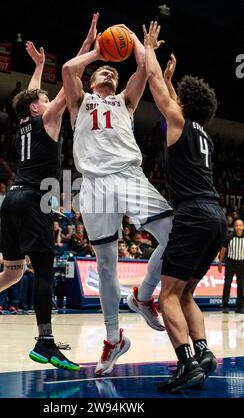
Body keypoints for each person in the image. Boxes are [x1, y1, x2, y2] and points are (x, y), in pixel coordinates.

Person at [0, 15, 100, 372]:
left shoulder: (24, 123)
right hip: (32, 200)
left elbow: (33, 96)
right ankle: (45, 341)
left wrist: (38, 67)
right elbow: (70, 77)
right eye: (45, 100)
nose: (52, 101)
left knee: (13, 271)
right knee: (43, 271)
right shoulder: (46, 119)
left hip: (12, 200)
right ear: (38, 107)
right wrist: (91, 46)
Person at [62, 22, 173, 376]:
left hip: (129, 175)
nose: (109, 72)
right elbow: (67, 69)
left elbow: (142, 68)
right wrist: (101, 50)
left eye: (113, 69)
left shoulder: (126, 101)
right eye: (103, 71)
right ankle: (113, 338)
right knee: (106, 263)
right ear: (92, 82)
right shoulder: (79, 101)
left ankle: (142, 295)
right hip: (94, 184)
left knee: (175, 233)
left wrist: (141, 43)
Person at [143, 21, 227, 392]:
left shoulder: (175, 121)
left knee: (167, 296)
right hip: (216, 216)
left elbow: (154, 84)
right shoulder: (200, 130)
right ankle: (204, 352)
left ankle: (187, 363)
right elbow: (171, 97)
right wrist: (170, 78)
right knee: (187, 292)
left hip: (192, 214)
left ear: (183, 104)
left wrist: (149, 51)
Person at [219, 219, 244, 313]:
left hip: (242, 264)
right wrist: (220, 263)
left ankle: (240, 307)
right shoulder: (229, 237)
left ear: (243, 226)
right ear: (234, 227)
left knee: (241, 286)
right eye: (237, 225)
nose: (239, 227)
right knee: (227, 284)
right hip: (230, 263)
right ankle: (225, 306)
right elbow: (223, 250)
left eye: (240, 225)